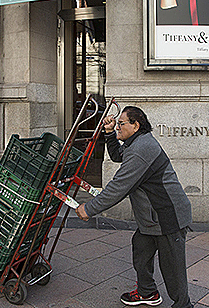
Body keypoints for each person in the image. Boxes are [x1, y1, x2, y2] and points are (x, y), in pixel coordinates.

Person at [75, 106, 192, 308]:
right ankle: (147, 292)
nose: (118, 126)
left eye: (121, 123)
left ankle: (184, 305)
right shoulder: (135, 143)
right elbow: (118, 156)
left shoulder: (142, 149)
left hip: (168, 216)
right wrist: (110, 132)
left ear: (135, 125)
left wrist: (90, 209)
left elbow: (119, 187)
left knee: (173, 269)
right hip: (152, 218)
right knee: (141, 248)